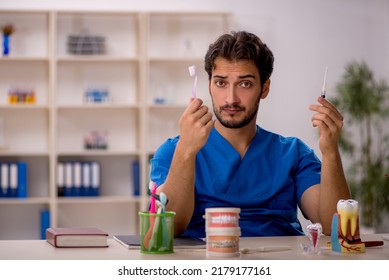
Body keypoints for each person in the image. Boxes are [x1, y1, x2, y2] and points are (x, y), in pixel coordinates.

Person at [150, 30, 351, 239]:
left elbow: (334, 227)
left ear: (264, 88)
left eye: (245, 84)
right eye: (221, 83)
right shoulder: (173, 151)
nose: (231, 98)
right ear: (209, 85)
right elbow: (169, 228)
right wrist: (186, 151)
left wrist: (330, 152)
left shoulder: (294, 153)